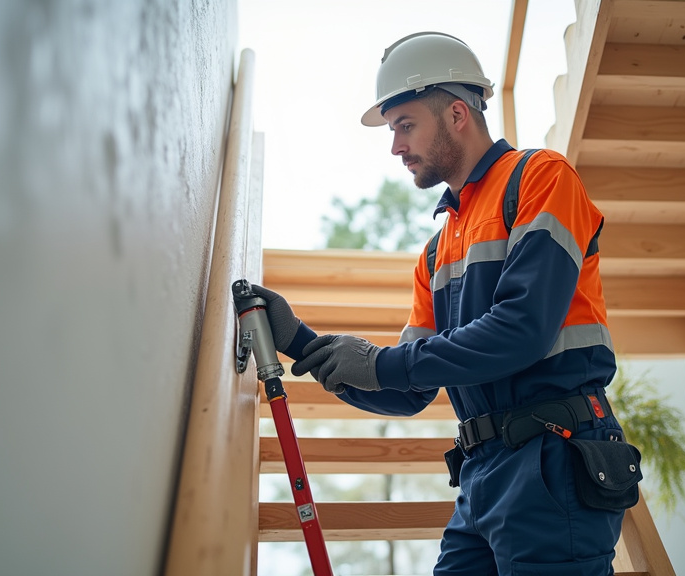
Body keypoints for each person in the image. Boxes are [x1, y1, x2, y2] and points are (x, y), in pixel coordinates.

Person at [254, 31, 632, 575]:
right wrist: (301, 343)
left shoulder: (541, 178)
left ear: (457, 113)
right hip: (481, 473)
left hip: (553, 458)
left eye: (405, 125)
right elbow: (410, 391)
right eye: (392, 130)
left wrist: (383, 362)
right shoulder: (436, 253)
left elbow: (523, 328)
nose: (395, 146)